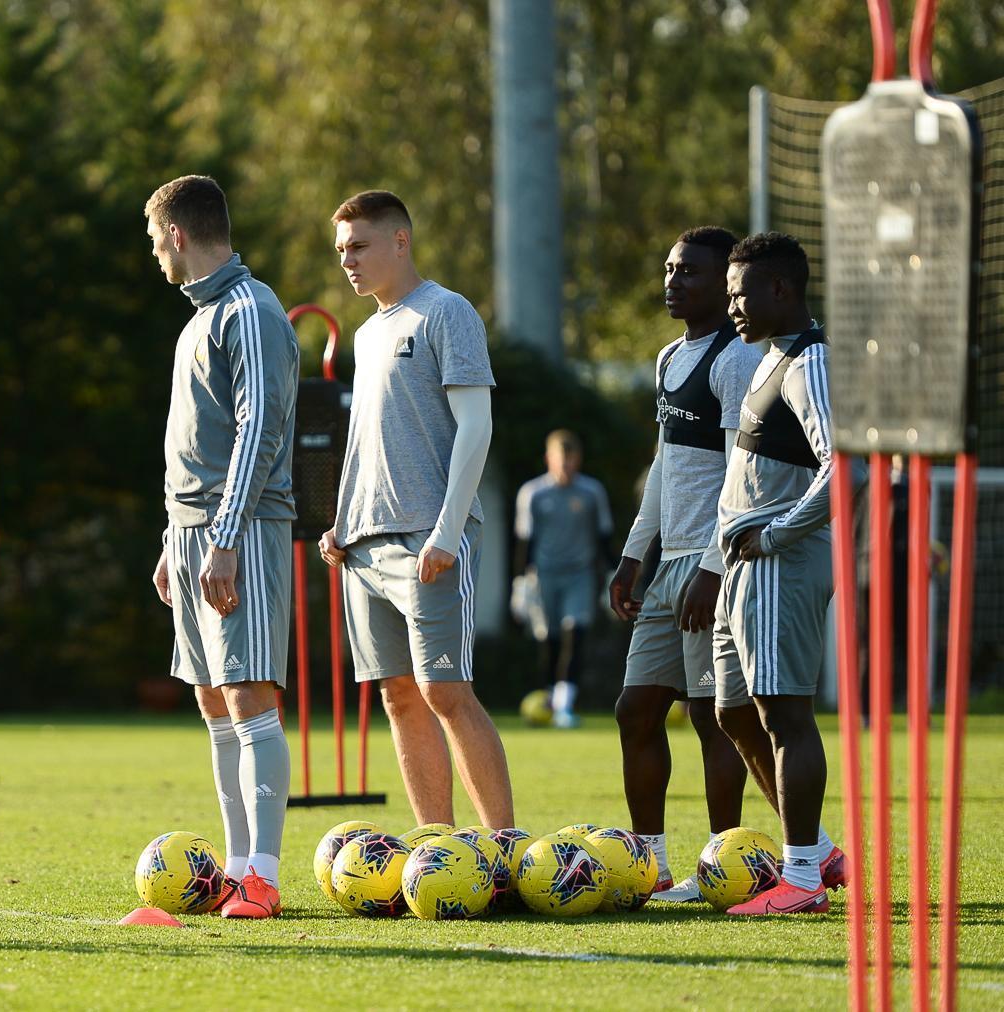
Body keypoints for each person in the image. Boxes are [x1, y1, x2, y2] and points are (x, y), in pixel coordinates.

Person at [317, 189, 514, 828]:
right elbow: (367, 439)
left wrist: (448, 532)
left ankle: (505, 847)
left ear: (400, 241)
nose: (347, 261)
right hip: (363, 545)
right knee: (399, 697)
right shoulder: (367, 332)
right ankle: (439, 850)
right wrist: (342, 521)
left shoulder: (446, 311)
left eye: (359, 246)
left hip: (429, 538)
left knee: (445, 691)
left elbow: (477, 426)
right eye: (341, 250)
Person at [146, 175, 299, 918]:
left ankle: (263, 877)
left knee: (248, 694)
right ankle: (234, 872)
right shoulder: (199, 319)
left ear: (178, 234)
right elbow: (197, 442)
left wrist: (226, 535)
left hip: (241, 531)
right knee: (213, 701)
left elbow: (258, 429)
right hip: (192, 534)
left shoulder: (250, 309)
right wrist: (172, 539)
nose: (155, 253)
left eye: (155, 240)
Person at [608, 226, 764, 900]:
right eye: (670, 269)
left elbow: (738, 476)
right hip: (666, 567)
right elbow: (665, 467)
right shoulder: (669, 356)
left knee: (713, 716)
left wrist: (711, 567)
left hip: (711, 568)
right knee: (634, 711)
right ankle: (650, 864)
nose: (674, 281)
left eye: (690, 272)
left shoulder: (736, 359)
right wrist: (631, 556)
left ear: (724, 284)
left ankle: (720, 866)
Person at [712, 231, 849, 914]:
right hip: (744, 566)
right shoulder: (774, 357)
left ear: (781, 289)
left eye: (740, 294)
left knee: (786, 715)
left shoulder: (811, 362)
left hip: (778, 565)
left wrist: (775, 533)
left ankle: (800, 879)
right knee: (734, 711)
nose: (731, 306)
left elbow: (844, 466)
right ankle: (818, 852)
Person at [513, 429, 613, 727]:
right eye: (561, 461)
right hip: (544, 576)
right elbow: (524, 541)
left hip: (579, 575)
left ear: (578, 460)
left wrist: (612, 576)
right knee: (550, 641)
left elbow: (604, 537)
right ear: (549, 459)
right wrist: (520, 584)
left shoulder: (592, 492)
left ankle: (565, 706)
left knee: (575, 633)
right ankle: (550, 697)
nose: (566, 467)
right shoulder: (532, 493)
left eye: (571, 461)